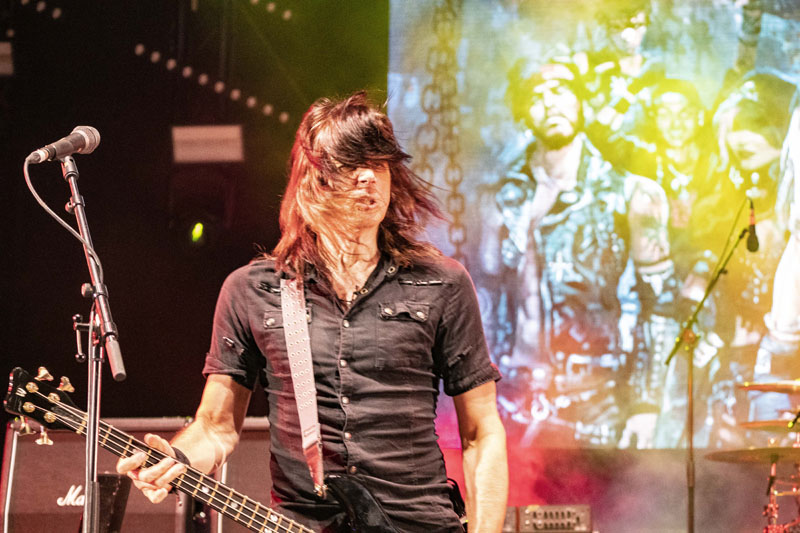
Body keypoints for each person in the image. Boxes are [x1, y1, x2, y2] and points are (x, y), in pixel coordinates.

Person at [116, 92, 508, 533]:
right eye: (350, 163)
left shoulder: (442, 283)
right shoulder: (253, 290)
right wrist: (176, 458)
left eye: (378, 163)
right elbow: (216, 427)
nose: (368, 177)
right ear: (313, 179)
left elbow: (482, 433)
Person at [481, 59, 676, 448]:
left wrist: (646, 404)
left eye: (561, 90)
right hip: (512, 398)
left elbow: (661, 304)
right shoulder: (502, 199)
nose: (550, 102)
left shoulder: (632, 195)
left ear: (582, 101)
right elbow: (483, 300)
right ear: (523, 111)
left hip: (597, 398)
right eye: (536, 95)